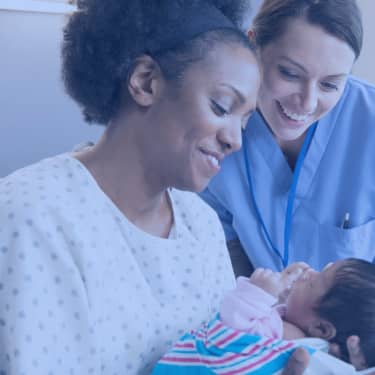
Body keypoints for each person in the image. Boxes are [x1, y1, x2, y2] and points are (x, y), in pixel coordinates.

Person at [0, 0, 265, 374]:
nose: (235, 140)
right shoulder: (32, 218)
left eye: (245, 121)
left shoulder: (201, 226)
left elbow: (214, 361)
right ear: (146, 82)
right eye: (222, 107)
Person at [201, 0, 375, 288]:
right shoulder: (213, 126)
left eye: (330, 85)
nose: (307, 102)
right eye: (290, 74)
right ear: (253, 46)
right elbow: (223, 262)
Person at [152, 259, 375, 374]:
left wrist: (257, 294)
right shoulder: (318, 347)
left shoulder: (291, 338)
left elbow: (232, 334)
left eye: (314, 282)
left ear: (321, 330)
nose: (308, 271)